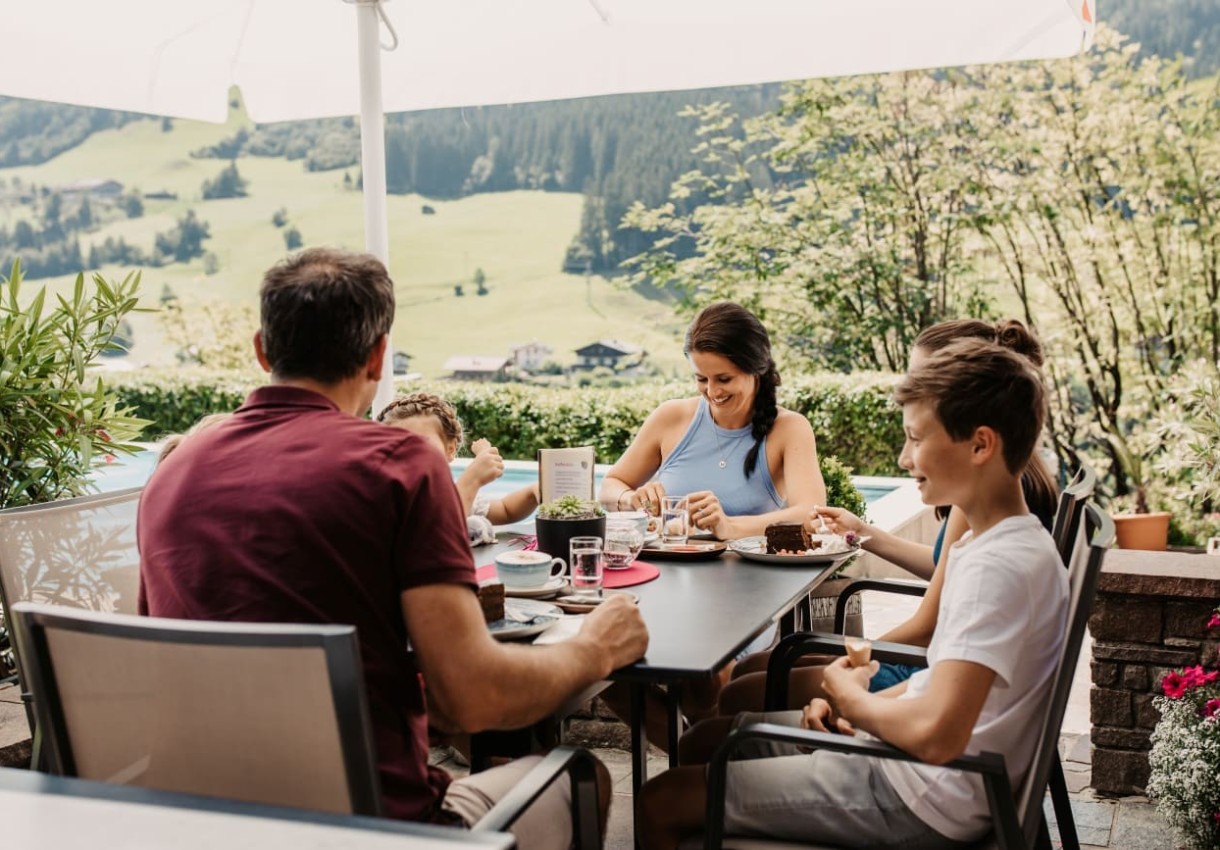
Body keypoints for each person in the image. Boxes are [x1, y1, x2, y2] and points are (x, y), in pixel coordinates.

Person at [137, 248, 649, 848]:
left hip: (205, 821)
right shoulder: (399, 467)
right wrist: (594, 649)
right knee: (583, 775)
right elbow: (473, 700)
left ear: (262, 350)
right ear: (379, 357)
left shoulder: (173, 472)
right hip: (376, 827)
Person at [638, 336, 1068, 849]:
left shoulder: (996, 569)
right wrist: (855, 706)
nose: (905, 458)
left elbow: (939, 734)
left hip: (919, 796)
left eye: (916, 438)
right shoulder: (1003, 542)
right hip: (923, 774)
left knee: (662, 801)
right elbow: (938, 686)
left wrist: (851, 700)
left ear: (980, 445)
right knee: (707, 739)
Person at [719, 318, 1059, 713]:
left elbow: (927, 630)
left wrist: (853, 663)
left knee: (741, 690)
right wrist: (865, 532)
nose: (914, 392)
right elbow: (943, 570)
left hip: (920, 668)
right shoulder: (1009, 487)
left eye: (926, 379)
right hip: (930, 668)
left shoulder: (985, 501)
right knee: (757, 670)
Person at [599, 301, 827, 539]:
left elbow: (811, 515)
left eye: (724, 379)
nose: (712, 391)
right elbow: (611, 484)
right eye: (701, 379)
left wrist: (729, 527)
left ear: (756, 369)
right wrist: (630, 500)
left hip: (751, 574)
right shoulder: (670, 417)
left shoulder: (789, 428)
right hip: (670, 569)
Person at [377, 392, 539, 544]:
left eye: (421, 445)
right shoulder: (388, 501)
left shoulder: (452, 492)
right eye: (394, 447)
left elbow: (506, 510)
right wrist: (471, 480)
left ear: (450, 449)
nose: (408, 456)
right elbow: (433, 541)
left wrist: (532, 492)